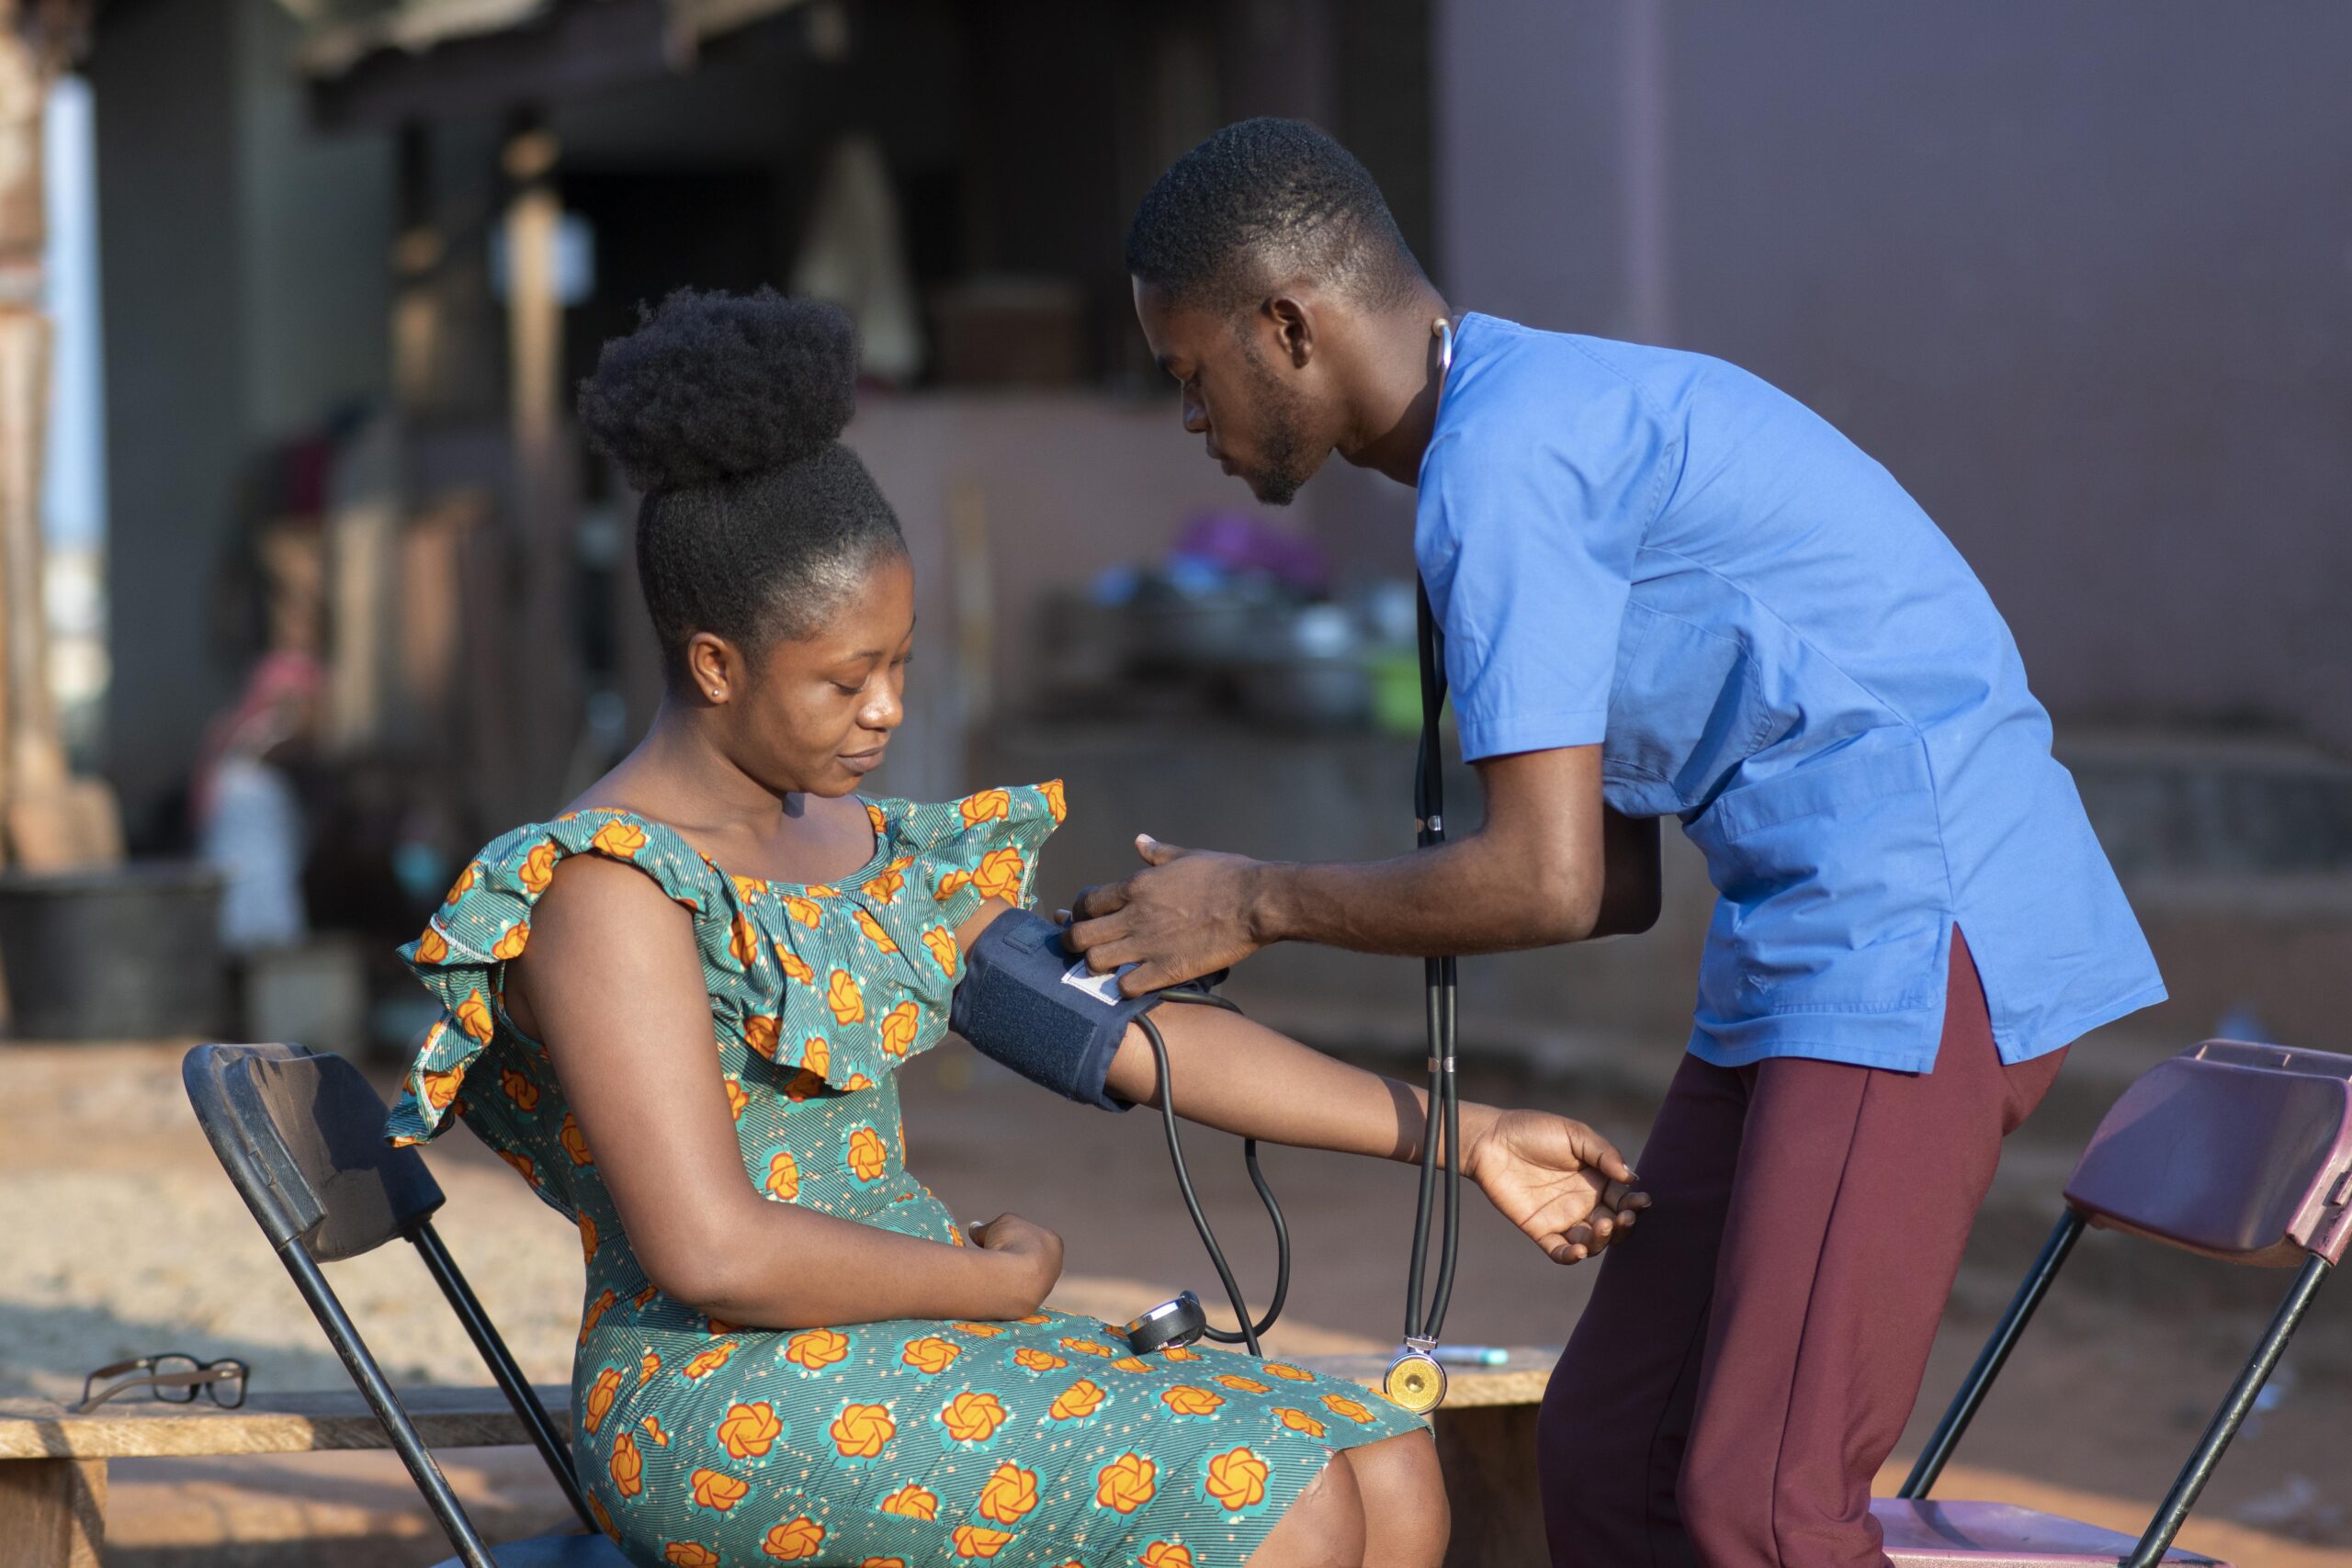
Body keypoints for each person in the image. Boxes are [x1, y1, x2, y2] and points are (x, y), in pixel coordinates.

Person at [381, 289, 1647, 1568]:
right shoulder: (609, 888)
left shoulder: (866, 855)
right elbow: (712, 1250)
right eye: (845, 680)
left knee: (1388, 1465)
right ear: (715, 665)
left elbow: (1136, 1036)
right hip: (723, 1393)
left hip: (917, 1335)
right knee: (1287, 1500)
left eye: (900, 664)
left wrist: (1468, 1136)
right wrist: (989, 1285)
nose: (886, 710)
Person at [1072, 119, 2167, 1568]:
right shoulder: (1511, 422)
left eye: (1188, 372)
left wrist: (1255, 902)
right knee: (1610, 1456)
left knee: (1765, 1505)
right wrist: (1251, 903)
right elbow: (1613, 885)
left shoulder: (1505, 459)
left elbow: (1550, 878)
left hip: (1915, 927)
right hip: (1800, 942)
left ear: (1287, 327)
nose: (1189, 416)